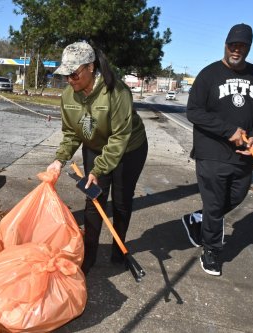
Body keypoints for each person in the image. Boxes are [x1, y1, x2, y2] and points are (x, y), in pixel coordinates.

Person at [47, 41, 148, 274]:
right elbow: (71, 132)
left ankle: (119, 250)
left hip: (129, 150)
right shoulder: (68, 96)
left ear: (90, 67)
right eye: (66, 75)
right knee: (94, 201)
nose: (70, 80)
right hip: (94, 147)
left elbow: (119, 137)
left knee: (122, 201)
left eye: (74, 74)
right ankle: (89, 255)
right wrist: (59, 159)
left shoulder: (117, 91)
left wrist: (96, 170)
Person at [181, 23, 253, 276]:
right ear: (226, 44)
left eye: (242, 46)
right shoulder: (209, 74)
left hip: (243, 153)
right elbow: (194, 111)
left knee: (237, 196)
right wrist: (228, 131)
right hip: (211, 151)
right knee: (215, 203)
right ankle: (211, 250)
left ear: (249, 48)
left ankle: (198, 219)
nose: (237, 50)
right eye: (233, 45)